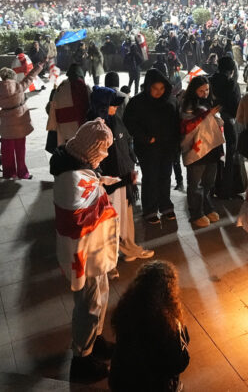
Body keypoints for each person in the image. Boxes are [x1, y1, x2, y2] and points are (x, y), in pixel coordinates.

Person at [49, 119, 119, 382]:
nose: (106, 154)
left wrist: (99, 183)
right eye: (103, 150)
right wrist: (101, 198)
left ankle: (95, 339)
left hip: (94, 248)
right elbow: (75, 219)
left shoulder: (77, 166)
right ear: (89, 151)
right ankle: (82, 359)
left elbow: (87, 189)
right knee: (88, 303)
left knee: (100, 294)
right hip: (84, 253)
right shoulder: (70, 178)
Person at [88, 86, 154, 263]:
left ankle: (129, 247)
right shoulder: (95, 125)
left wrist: (130, 164)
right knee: (111, 220)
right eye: (112, 104)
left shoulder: (114, 119)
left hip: (123, 175)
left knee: (125, 215)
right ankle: (110, 259)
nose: (116, 107)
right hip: (110, 180)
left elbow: (125, 145)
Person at [109, 260, 190, 392]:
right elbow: (179, 363)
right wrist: (182, 332)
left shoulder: (125, 308)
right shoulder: (169, 324)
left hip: (119, 381)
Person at [124, 68, 181, 225]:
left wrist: (177, 144)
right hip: (147, 148)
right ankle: (149, 209)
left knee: (165, 175)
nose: (158, 92)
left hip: (167, 146)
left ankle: (165, 205)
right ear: (148, 86)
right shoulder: (137, 102)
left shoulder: (171, 101)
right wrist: (146, 138)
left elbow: (177, 124)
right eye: (155, 89)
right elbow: (129, 123)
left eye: (162, 89)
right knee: (150, 177)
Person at [179, 75, 223, 228]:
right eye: (201, 91)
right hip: (196, 149)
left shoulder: (209, 102)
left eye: (207, 90)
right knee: (195, 183)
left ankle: (208, 207)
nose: (205, 93)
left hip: (211, 148)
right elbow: (187, 126)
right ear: (194, 90)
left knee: (208, 182)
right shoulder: (187, 104)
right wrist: (207, 115)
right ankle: (196, 213)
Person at [0, 64, 42, 180]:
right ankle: (23, 173)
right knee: (20, 150)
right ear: (13, 77)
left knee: (7, 152)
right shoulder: (19, 87)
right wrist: (40, 65)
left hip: (6, 127)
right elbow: (30, 77)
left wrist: (2, 114)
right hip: (20, 124)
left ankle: (9, 174)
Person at [208, 55, 244, 199]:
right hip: (228, 123)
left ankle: (211, 187)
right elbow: (237, 109)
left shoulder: (209, 80)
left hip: (210, 122)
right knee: (230, 155)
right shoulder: (232, 85)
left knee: (213, 155)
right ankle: (227, 189)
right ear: (231, 70)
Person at [46, 64, 92, 146]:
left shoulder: (61, 87)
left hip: (64, 128)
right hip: (81, 126)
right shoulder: (84, 87)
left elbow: (52, 107)